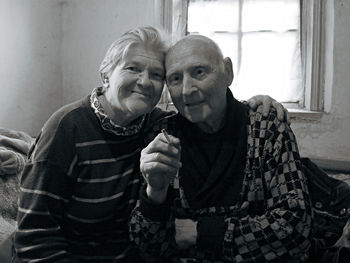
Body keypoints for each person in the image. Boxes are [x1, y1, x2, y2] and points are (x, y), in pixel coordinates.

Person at [0, 27, 287, 262]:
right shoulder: (66, 130)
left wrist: (254, 106)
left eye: (157, 75)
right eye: (133, 68)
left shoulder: (157, 125)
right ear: (105, 75)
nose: (145, 82)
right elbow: (34, 239)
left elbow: (212, 110)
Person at [129, 35, 313, 262]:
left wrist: (201, 232)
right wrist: (155, 194)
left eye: (199, 72)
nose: (187, 90)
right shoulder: (163, 136)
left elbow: (296, 228)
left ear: (228, 71)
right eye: (175, 79)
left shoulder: (266, 127)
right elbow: (148, 247)